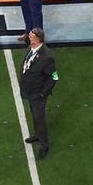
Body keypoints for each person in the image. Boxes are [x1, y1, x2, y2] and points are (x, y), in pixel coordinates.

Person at [19, 28, 57, 160]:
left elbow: (54, 77)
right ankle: (37, 135)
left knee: (39, 118)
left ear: (38, 39)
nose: (29, 37)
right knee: (35, 116)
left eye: (31, 36)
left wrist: (42, 94)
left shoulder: (47, 57)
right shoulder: (32, 48)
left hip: (38, 94)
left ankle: (44, 145)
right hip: (30, 90)